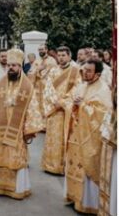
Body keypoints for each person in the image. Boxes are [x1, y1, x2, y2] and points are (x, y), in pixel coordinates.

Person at [0, 48, 44, 200]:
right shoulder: (1, 83)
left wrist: (29, 129)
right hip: (1, 128)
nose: (11, 68)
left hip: (18, 130)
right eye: (9, 65)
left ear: (20, 66)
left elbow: (32, 107)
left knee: (16, 157)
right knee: (0, 155)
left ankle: (18, 188)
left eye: (14, 65)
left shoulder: (27, 86)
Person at [60, 60, 111, 213]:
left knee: (86, 168)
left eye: (89, 71)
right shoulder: (81, 86)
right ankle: (74, 197)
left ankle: (88, 203)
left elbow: (102, 115)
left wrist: (82, 105)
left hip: (89, 138)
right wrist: (73, 105)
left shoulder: (103, 90)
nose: (85, 73)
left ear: (98, 74)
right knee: (73, 165)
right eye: (84, 70)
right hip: (75, 135)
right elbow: (70, 103)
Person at [38, 45, 80, 175]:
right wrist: (55, 102)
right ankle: (50, 165)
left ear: (69, 56)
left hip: (67, 111)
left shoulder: (76, 71)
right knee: (52, 138)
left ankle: (63, 166)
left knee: (65, 138)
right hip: (54, 110)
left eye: (63, 55)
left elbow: (77, 88)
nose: (61, 58)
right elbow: (47, 88)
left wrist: (63, 103)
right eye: (59, 55)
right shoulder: (53, 71)